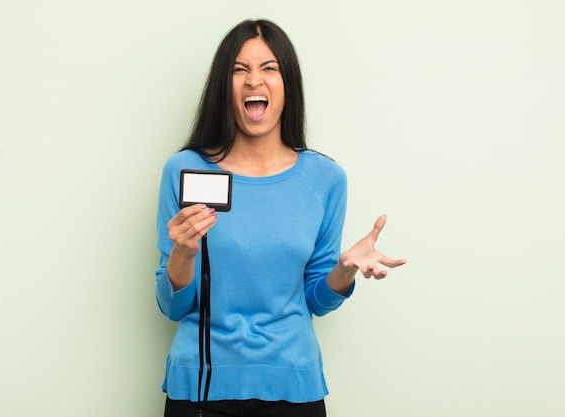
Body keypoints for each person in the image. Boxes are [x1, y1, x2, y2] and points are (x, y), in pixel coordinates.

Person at [155, 18, 406, 417]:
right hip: (200, 386)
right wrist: (182, 253)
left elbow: (317, 302)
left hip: (293, 385)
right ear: (224, 86)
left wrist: (344, 269)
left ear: (287, 84)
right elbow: (171, 307)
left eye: (268, 68)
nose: (254, 80)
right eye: (240, 70)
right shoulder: (185, 170)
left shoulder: (325, 179)